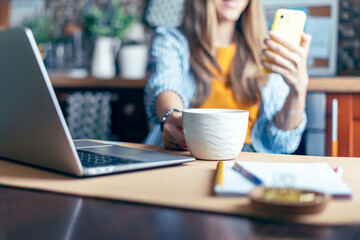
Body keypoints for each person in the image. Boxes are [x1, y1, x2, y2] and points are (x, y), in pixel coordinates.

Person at [143, 0, 312, 154]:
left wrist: (298, 90)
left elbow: (281, 144)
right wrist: (172, 117)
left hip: (251, 158)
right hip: (188, 155)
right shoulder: (171, 40)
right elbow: (165, 85)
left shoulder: (268, 50)